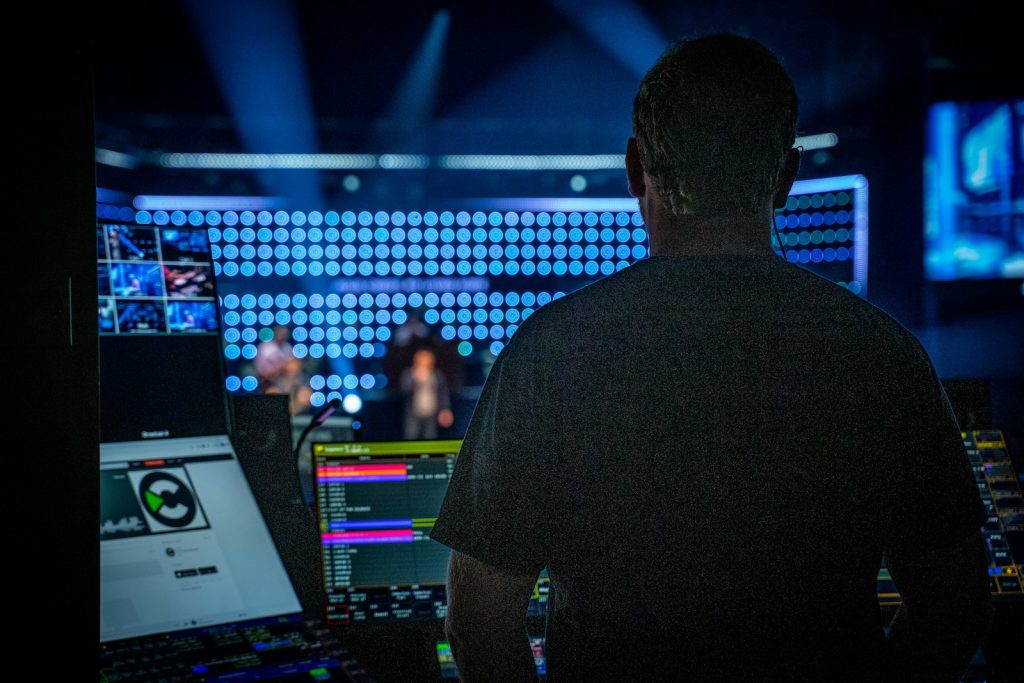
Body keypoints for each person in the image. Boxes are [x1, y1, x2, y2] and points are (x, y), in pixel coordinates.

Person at [430, 35, 992, 681]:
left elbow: (478, 622)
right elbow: (954, 606)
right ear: (786, 177)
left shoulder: (549, 352)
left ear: (635, 167)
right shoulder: (883, 352)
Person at [400, 347, 454, 439]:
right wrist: (415, 379)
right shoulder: (409, 373)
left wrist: (445, 409)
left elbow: (443, 394)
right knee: (411, 437)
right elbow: (404, 391)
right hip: (413, 414)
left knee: (430, 437)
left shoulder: (437, 374)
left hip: (431, 413)